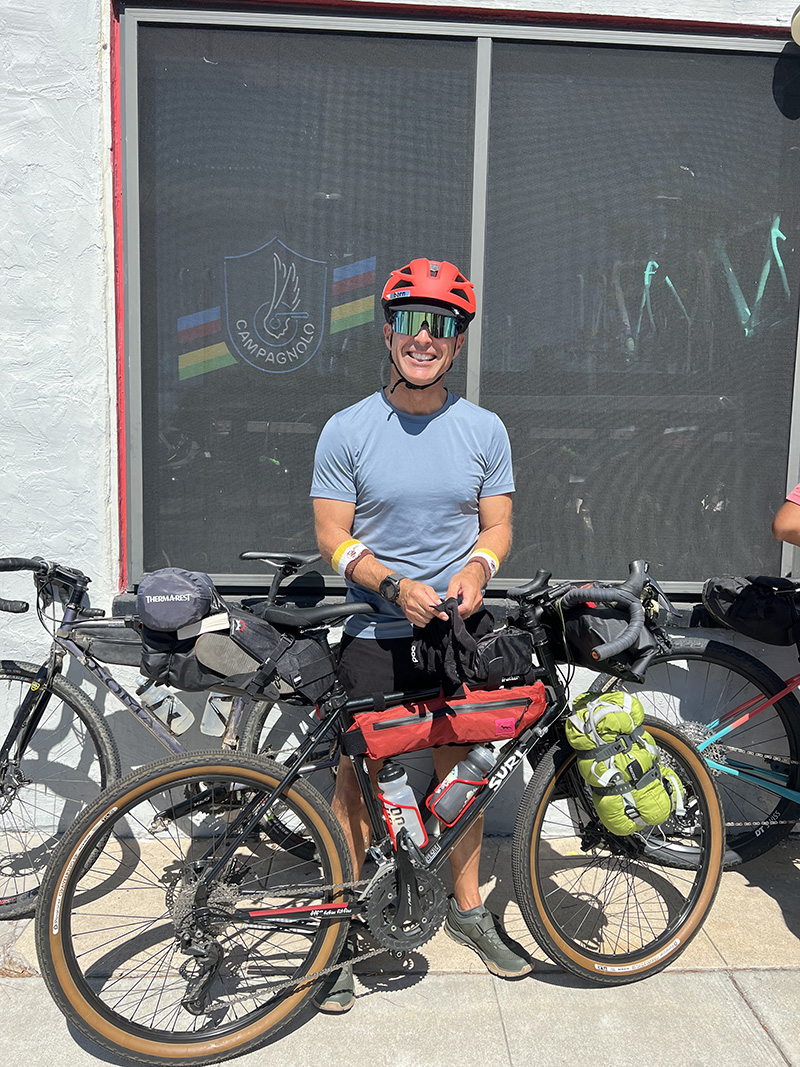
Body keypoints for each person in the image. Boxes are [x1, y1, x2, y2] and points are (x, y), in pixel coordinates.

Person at [310, 257, 532, 1013]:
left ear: (457, 342)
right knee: (359, 778)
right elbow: (331, 535)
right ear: (388, 332)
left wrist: (477, 568)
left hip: (457, 630)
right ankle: (343, 930)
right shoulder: (347, 429)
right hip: (375, 628)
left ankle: (467, 910)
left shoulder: (484, 429)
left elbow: (497, 525)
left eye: (441, 325)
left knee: (461, 768)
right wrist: (390, 586)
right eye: (410, 322)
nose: (424, 338)